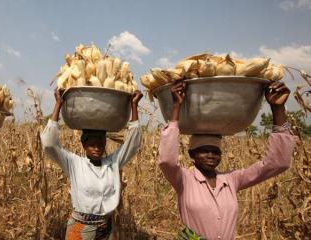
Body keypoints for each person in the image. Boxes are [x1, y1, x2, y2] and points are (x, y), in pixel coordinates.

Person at [158, 81, 296, 240]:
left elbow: (277, 163)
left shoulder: (231, 180)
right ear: (192, 154)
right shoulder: (184, 179)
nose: (210, 155)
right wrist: (176, 106)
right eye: (203, 151)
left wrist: (277, 108)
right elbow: (167, 160)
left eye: (215, 151)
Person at [41, 89, 143, 240]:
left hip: (107, 227)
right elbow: (49, 144)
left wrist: (134, 106)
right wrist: (58, 105)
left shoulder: (112, 163)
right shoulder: (74, 163)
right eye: (92, 144)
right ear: (84, 145)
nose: (97, 148)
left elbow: (133, 144)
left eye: (100, 144)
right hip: (82, 228)